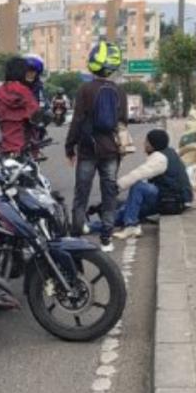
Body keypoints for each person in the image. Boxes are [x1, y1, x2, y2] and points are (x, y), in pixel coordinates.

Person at [66, 40, 126, 252]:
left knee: (81, 193)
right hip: (111, 150)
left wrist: (69, 147)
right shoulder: (119, 90)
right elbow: (122, 122)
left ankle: (76, 233)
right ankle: (106, 238)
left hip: (88, 149)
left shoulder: (85, 89)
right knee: (109, 193)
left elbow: (77, 120)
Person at [112, 128, 193, 239]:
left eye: (147, 141)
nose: (144, 144)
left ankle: (131, 226)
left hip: (171, 202)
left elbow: (138, 174)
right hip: (175, 199)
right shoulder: (170, 152)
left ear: (153, 144)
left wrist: (116, 187)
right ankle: (92, 226)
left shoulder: (160, 158)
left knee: (138, 187)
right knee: (125, 207)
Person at [0, 56, 40, 158]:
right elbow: (35, 112)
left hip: (4, 148)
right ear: (22, 72)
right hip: (23, 147)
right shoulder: (23, 90)